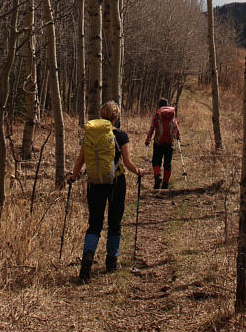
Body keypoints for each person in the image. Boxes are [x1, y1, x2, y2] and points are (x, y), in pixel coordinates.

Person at [69, 100, 145, 282]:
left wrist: (73, 176)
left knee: (94, 223)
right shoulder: (121, 136)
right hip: (116, 182)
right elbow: (127, 163)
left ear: (101, 115)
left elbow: (80, 160)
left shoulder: (90, 135)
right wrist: (139, 171)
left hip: (94, 182)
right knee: (115, 222)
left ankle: (87, 259)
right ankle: (111, 262)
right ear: (116, 116)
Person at [145, 97, 180, 190]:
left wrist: (148, 140)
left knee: (156, 161)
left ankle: (157, 176)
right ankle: (165, 183)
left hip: (158, 143)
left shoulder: (157, 115)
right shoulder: (172, 115)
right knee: (167, 164)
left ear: (159, 105)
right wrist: (177, 137)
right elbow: (176, 127)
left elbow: (152, 128)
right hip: (169, 143)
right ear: (167, 105)